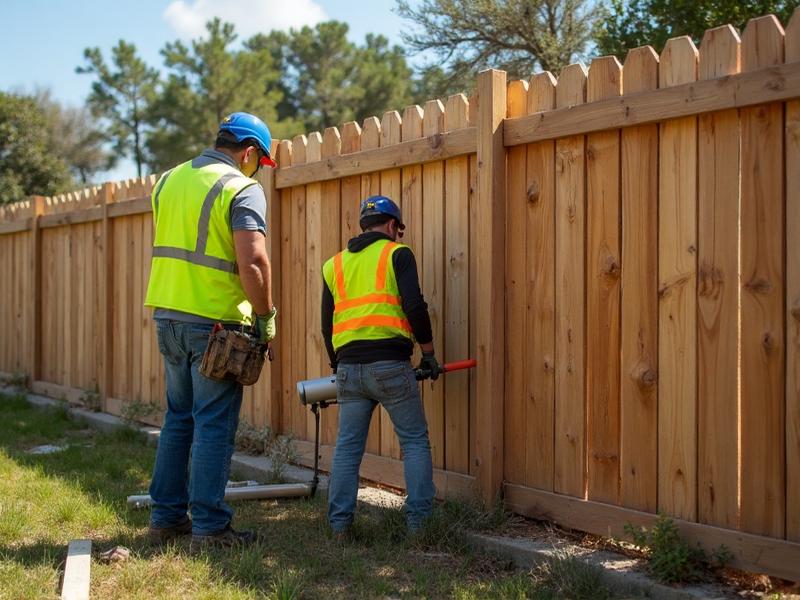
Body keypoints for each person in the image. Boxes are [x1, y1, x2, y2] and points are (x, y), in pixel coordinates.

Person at [143, 112, 278, 551]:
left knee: (178, 419)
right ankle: (210, 528)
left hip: (168, 316)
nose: (255, 167)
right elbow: (253, 262)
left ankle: (165, 520)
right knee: (213, 424)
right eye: (258, 159)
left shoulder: (167, 180)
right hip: (214, 325)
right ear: (250, 152)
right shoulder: (242, 187)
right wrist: (265, 316)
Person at [321, 195, 439, 538]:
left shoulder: (334, 265)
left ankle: (339, 527)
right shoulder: (397, 253)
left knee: (347, 448)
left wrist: (338, 364)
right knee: (415, 441)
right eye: (397, 230)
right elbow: (414, 306)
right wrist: (428, 353)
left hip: (348, 369)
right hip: (390, 365)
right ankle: (419, 526)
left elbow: (326, 327)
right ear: (392, 226)